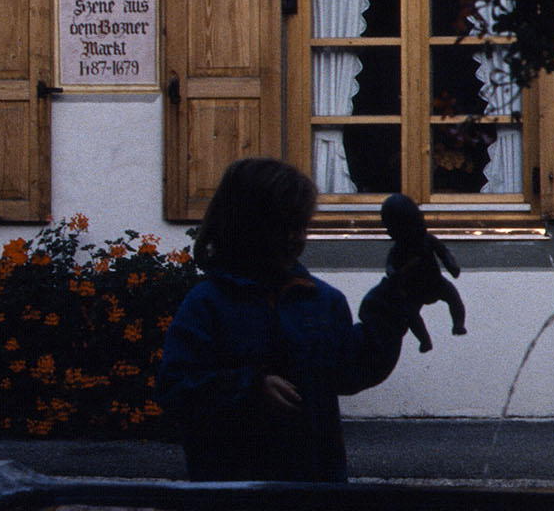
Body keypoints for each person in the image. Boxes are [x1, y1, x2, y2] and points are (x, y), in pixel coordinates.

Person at [157, 157, 426, 483]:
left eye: (300, 226)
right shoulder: (206, 305)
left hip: (313, 499)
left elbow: (353, 370)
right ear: (243, 226)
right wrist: (250, 387)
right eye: (280, 227)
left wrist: (393, 303)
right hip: (230, 503)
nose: (293, 238)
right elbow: (176, 390)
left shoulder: (323, 301)